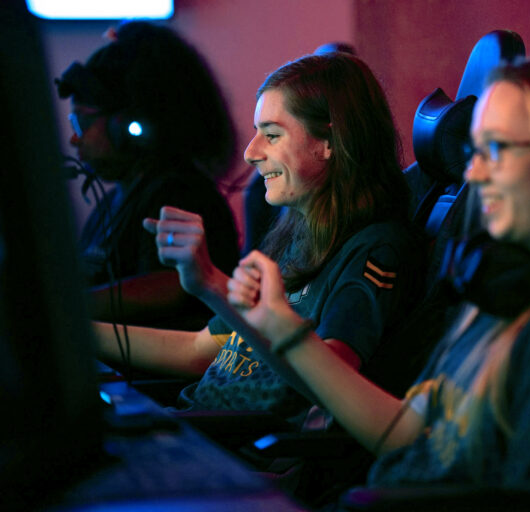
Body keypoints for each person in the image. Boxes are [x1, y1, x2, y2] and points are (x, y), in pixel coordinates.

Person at [225, 54, 530, 491]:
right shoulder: (499, 291)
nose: (474, 173)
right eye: (474, 151)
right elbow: (407, 432)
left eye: (496, 149)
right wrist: (285, 333)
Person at [93, 52, 422, 421]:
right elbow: (200, 350)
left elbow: (333, 383)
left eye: (272, 135)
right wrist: (74, 331)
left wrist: (212, 284)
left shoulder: (374, 249)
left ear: (329, 141)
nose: (251, 153)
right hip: (198, 424)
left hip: (241, 444)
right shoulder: (298, 235)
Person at [56, 21, 240, 330]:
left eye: (82, 123)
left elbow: (171, 285)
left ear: (128, 125)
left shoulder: (182, 193)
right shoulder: (114, 201)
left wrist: (66, 306)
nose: (75, 138)